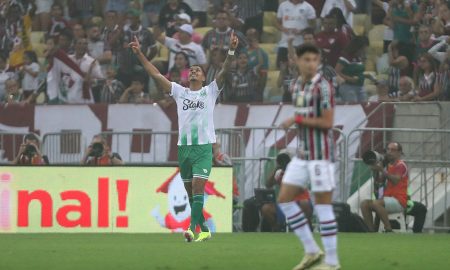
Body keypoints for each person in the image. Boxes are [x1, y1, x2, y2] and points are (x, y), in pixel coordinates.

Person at [128, 29, 238, 242]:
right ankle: (204, 229)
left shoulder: (211, 91)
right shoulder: (180, 92)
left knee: (198, 187)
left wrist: (231, 51)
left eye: (198, 70)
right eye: (192, 70)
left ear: (205, 77)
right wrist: (140, 54)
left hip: (203, 148)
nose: (195, 71)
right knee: (191, 194)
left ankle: (190, 228)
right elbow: (155, 74)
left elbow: (224, 70)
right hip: (184, 149)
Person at [278, 44, 340, 270]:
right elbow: (303, 113)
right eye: (306, 59)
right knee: (284, 199)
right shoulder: (295, 86)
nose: (311, 63)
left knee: (323, 207)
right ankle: (312, 250)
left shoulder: (324, 87)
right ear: (297, 60)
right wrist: (298, 119)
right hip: (303, 153)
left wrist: (296, 120)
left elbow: (327, 122)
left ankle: (332, 262)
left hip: (321, 155)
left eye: (315, 59)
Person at [360, 142, 408, 232]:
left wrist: (382, 169)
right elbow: (380, 182)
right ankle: (370, 231)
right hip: (387, 198)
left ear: (399, 153)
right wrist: (376, 171)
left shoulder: (401, 165)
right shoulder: (388, 165)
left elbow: (395, 180)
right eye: (388, 149)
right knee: (364, 204)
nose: (389, 152)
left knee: (376, 203)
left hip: (399, 200)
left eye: (393, 150)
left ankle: (388, 229)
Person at [261, 153, 313, 232]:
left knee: (305, 203)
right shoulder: (279, 173)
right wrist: (276, 170)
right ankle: (277, 228)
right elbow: (268, 184)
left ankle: (304, 227)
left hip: (300, 201)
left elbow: (301, 189)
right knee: (266, 208)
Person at [276, 0, 316, 67]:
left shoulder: (308, 7)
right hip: (284, 44)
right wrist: (284, 29)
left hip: (301, 45)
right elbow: (277, 23)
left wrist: (301, 31)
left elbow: (313, 26)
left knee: (300, 68)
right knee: (282, 68)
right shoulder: (282, 5)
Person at [335, 36, 369, 102]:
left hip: (360, 87)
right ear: (358, 47)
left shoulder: (359, 57)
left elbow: (359, 71)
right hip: (348, 87)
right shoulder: (346, 57)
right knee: (353, 107)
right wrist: (350, 79)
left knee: (364, 107)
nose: (365, 49)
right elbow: (336, 71)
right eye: (364, 48)